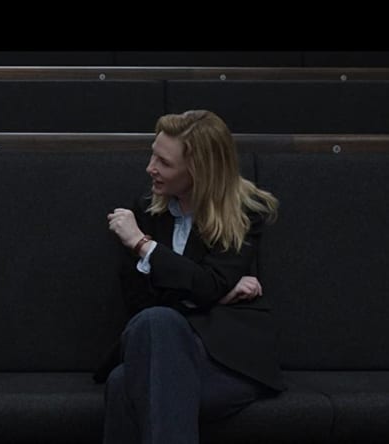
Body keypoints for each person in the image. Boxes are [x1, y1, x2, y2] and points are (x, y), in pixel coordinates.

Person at [97, 110, 286, 443]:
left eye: (164, 162)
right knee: (155, 324)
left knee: (126, 382)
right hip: (158, 347)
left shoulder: (244, 212)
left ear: (199, 170)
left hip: (225, 362)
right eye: (153, 155)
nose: (150, 168)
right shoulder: (145, 210)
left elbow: (203, 286)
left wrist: (144, 246)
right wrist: (214, 292)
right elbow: (139, 304)